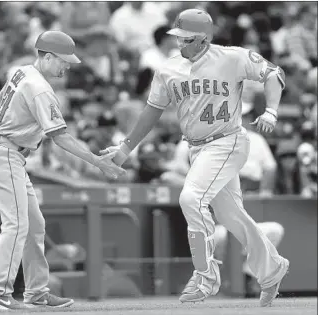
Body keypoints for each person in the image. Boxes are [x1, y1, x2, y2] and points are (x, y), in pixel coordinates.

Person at [101, 9, 289, 307]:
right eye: (178, 38)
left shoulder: (232, 57)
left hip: (227, 140)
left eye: (186, 39)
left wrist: (271, 110)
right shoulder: (168, 68)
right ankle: (272, 268)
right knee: (231, 216)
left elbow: (274, 74)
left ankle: (205, 275)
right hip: (196, 149)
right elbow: (152, 111)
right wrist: (125, 149)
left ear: (203, 39)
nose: (180, 44)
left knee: (191, 198)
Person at [0, 30, 125, 311]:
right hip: (6, 155)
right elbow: (61, 137)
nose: (67, 66)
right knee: (17, 225)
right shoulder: (40, 87)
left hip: (11, 154)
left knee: (35, 225)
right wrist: (97, 161)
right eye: (62, 60)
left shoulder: (20, 71)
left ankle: (35, 292)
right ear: (47, 57)